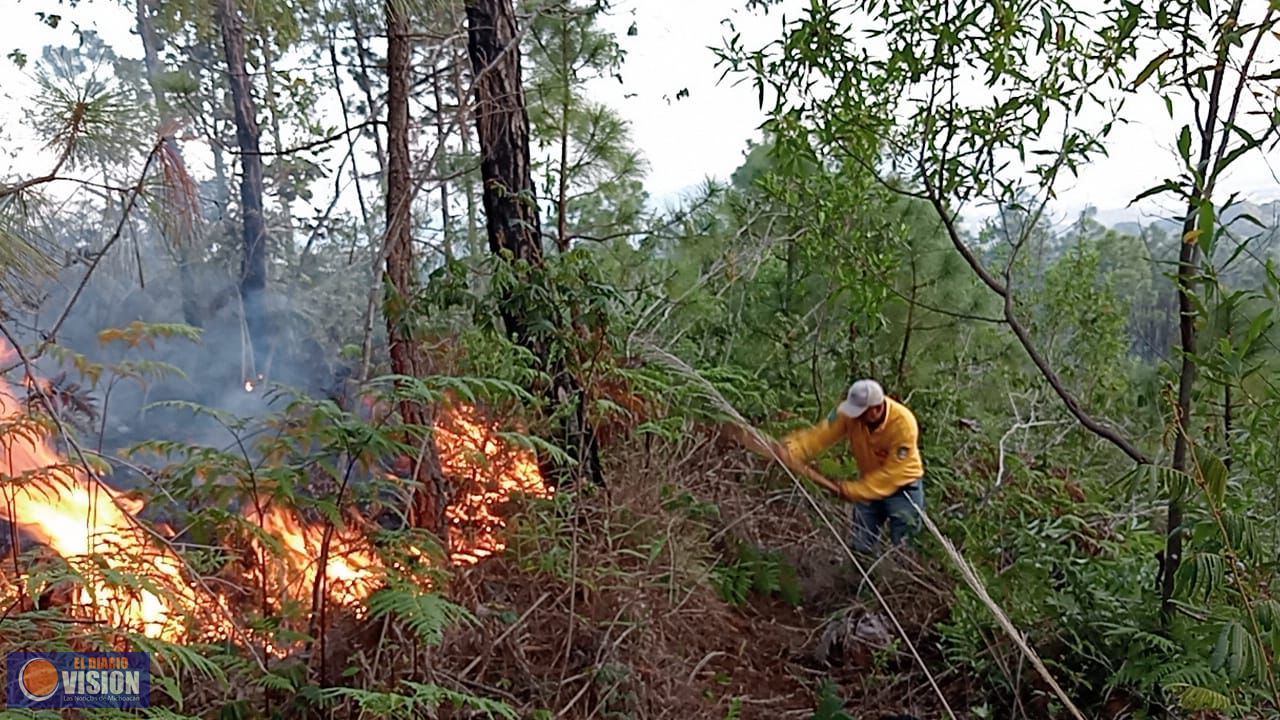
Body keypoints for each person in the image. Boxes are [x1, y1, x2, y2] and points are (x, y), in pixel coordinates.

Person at [779, 379, 925, 554]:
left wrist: (852, 490)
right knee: (860, 546)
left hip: (903, 488)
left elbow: (892, 475)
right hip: (868, 484)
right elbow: (819, 436)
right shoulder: (849, 413)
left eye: (860, 412)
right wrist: (790, 451)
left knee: (904, 549)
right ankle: (861, 578)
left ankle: (898, 581)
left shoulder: (903, 423)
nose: (854, 416)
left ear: (876, 409)